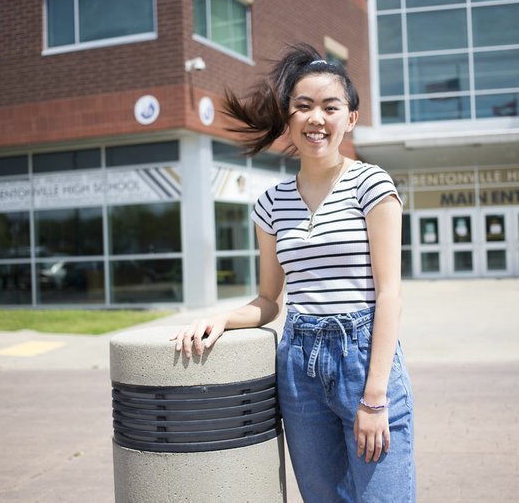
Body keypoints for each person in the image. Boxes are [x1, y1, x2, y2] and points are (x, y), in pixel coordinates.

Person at [171, 43, 415, 502]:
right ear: (288, 119)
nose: (315, 119)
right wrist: (221, 319)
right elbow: (269, 300)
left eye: (330, 107)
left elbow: (389, 295)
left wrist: (375, 397)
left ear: (351, 118)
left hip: (363, 360)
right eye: (303, 107)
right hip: (299, 365)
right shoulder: (269, 204)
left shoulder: (372, 184)